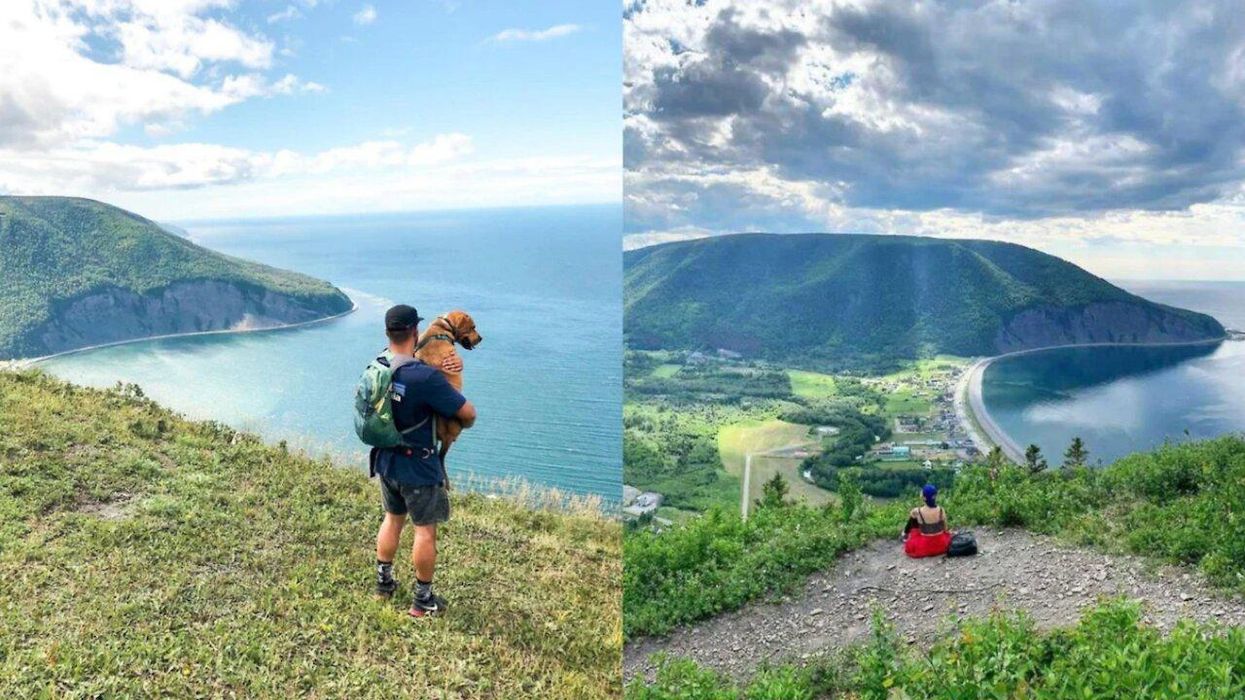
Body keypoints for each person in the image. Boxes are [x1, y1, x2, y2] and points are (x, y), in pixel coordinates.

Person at [370, 304, 477, 617]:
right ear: (415, 332)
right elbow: (467, 414)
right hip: (417, 466)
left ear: (389, 333)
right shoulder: (426, 377)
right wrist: (448, 375)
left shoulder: (380, 363)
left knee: (392, 519)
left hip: (386, 460)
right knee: (424, 532)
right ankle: (422, 602)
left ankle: (383, 585)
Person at [902, 484, 951, 558]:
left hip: (925, 545)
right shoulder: (941, 510)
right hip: (941, 544)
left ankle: (905, 534)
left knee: (914, 518)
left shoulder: (917, 511)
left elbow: (911, 523)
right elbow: (945, 529)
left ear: (924, 498)